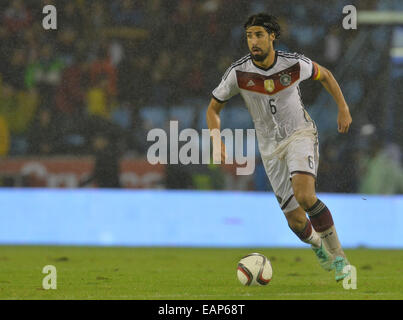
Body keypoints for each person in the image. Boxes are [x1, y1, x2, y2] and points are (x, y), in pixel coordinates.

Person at [206, 13, 352, 282]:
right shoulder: (238, 73)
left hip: (299, 134)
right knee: (296, 222)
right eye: (250, 36)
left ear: (272, 36)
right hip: (270, 149)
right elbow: (213, 108)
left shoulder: (293, 64)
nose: (254, 41)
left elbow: (326, 75)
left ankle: (340, 257)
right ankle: (319, 247)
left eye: (259, 34)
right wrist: (217, 139)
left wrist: (342, 107)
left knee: (305, 196)